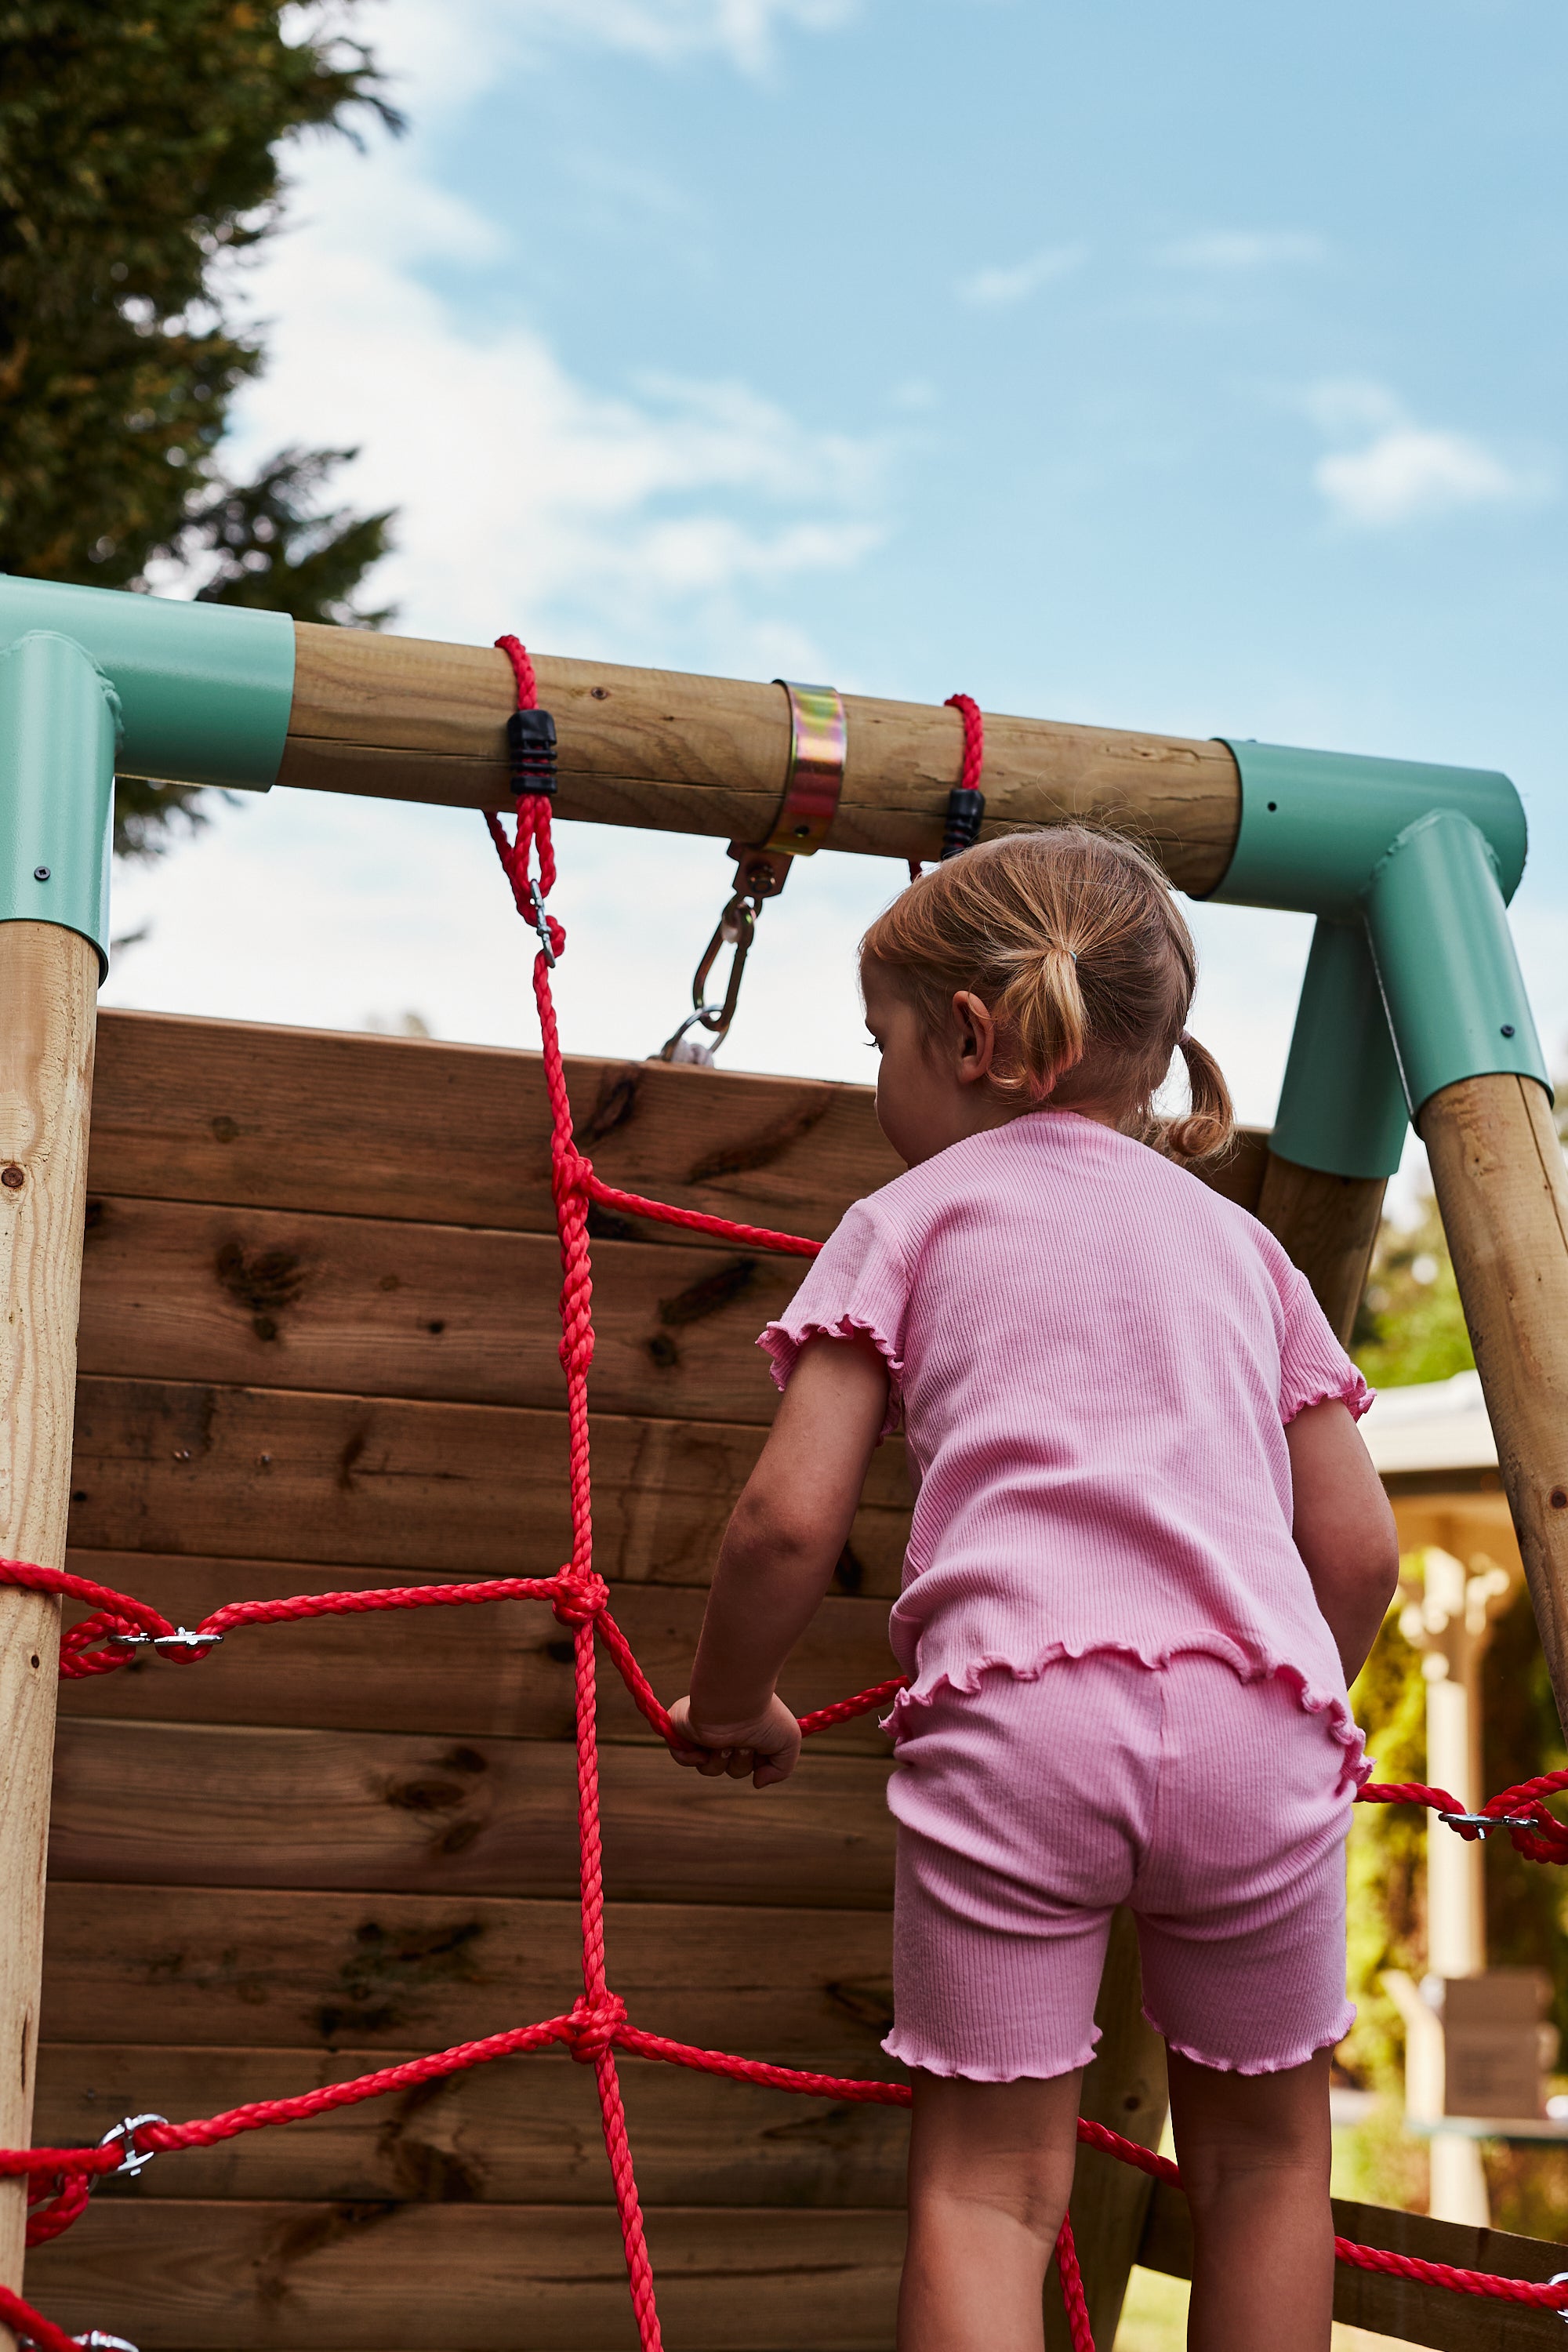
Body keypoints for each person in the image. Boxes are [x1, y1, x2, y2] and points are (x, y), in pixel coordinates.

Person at [666, 826, 1399, 2352]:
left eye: (880, 1042)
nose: (879, 1080)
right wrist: (1277, 1701)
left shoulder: (907, 1223)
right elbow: (1358, 1554)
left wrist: (732, 1700)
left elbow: (785, 1523)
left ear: (971, 1037)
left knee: (990, 2193)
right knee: (1267, 2170)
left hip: (1023, 1723)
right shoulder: (1245, 1249)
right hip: (1262, 1724)